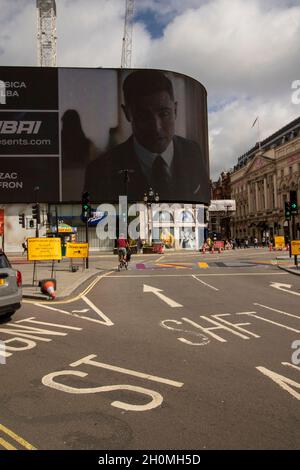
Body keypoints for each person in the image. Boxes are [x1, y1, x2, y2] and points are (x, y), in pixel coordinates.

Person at [85, 70, 209, 202]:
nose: (157, 127)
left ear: (175, 110)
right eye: (144, 116)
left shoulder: (193, 151)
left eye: (164, 114)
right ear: (127, 113)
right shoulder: (99, 171)